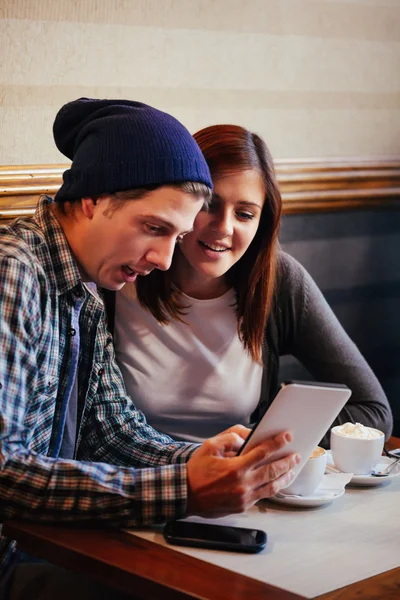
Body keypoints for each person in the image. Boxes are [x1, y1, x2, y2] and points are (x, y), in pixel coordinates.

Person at [0, 102, 299, 598]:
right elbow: (4, 473)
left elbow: (113, 433)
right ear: (93, 199)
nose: (163, 260)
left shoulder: (84, 288)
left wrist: (205, 460)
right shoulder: (14, 273)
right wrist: (184, 489)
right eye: (155, 228)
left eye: (176, 236)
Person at [111, 124, 393, 447]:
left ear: (262, 223)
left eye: (244, 214)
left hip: (245, 490)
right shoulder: (121, 275)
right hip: (144, 485)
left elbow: (373, 412)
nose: (223, 228)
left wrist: (260, 445)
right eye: (209, 205)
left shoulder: (280, 280)